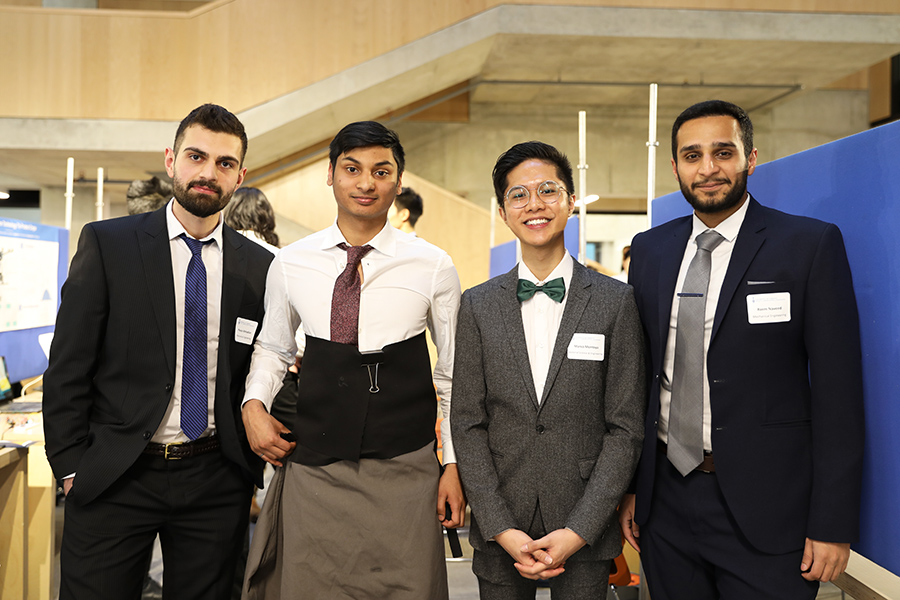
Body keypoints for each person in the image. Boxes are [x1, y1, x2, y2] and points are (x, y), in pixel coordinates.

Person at [619, 100, 865, 599]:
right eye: (692, 156)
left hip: (770, 508)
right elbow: (640, 378)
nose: (708, 169)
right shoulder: (649, 250)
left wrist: (832, 521)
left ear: (751, 158)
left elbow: (839, 392)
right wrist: (632, 488)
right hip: (665, 503)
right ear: (675, 167)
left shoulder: (806, 245)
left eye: (723, 152)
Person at [43, 103, 274, 600]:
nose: (208, 173)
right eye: (196, 156)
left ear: (240, 175)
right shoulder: (110, 245)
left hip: (215, 478)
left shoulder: (258, 268)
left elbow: (260, 365)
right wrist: (69, 466)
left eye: (224, 163)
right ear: (171, 160)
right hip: (117, 472)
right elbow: (68, 366)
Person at [240, 121, 465, 599]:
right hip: (316, 467)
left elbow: (452, 374)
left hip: (406, 467)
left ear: (398, 181)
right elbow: (274, 348)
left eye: (381, 171)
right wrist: (253, 407)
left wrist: (454, 464)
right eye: (352, 169)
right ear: (331, 175)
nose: (366, 183)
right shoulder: (291, 262)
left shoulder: (433, 265)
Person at [451, 141, 646, 599]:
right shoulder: (477, 305)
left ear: (571, 200)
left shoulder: (615, 302)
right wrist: (500, 527)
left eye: (548, 190)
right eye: (518, 195)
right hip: (503, 523)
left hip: (585, 522)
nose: (534, 204)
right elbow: (467, 421)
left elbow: (625, 427)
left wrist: (579, 529)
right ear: (503, 211)